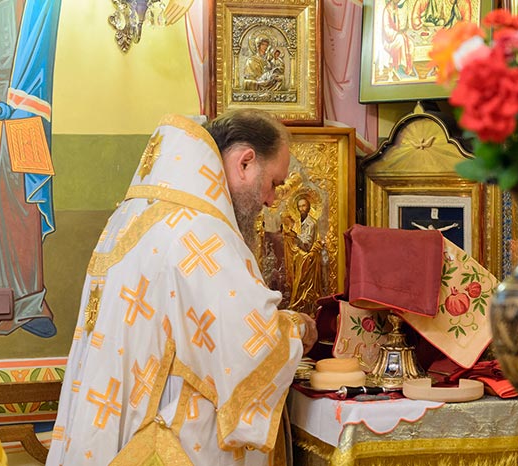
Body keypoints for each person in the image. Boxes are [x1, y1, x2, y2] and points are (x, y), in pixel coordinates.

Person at [47, 110, 318, 465]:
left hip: (110, 430)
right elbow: (250, 346)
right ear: (246, 163)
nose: (271, 200)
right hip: (167, 437)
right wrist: (297, 328)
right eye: (274, 183)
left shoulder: (131, 216)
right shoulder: (199, 230)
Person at [0, 0, 62, 338]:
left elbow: (37, 63)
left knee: (22, 205)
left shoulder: (38, 6)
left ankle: (29, 301)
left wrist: (12, 106)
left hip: (23, 116)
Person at [282, 196, 323, 316]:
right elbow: (293, 241)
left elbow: (307, 244)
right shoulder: (298, 223)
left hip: (308, 258)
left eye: (304, 206)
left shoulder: (311, 223)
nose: (301, 209)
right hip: (298, 256)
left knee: (302, 283)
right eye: (299, 206)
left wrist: (295, 236)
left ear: (309, 207)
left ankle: (304, 305)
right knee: (296, 282)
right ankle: (297, 306)